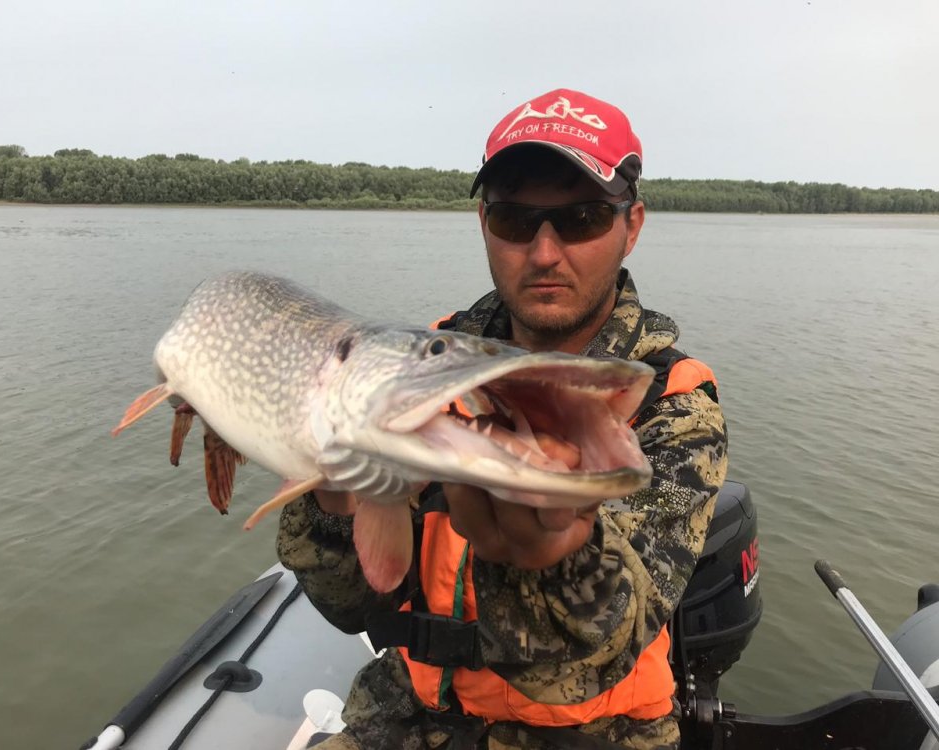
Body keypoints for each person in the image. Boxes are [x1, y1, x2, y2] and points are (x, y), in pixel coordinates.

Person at [277, 88, 728, 750]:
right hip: (409, 719)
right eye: (516, 221)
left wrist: (550, 560)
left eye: (580, 218)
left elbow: (594, 658)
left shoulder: (676, 400)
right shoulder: (419, 364)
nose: (544, 253)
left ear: (631, 225)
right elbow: (350, 607)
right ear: (484, 223)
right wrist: (332, 485)